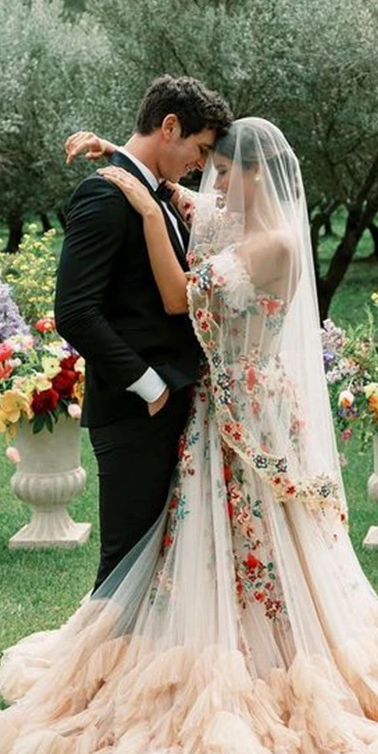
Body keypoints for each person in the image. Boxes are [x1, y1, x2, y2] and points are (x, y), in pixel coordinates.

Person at [0, 118, 378, 754]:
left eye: (220, 168)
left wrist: (136, 204)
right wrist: (121, 162)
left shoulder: (276, 243)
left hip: (248, 412)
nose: (207, 180)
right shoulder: (226, 213)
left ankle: (268, 664)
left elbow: (178, 296)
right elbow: (184, 203)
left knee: (260, 542)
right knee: (197, 538)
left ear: (253, 175)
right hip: (213, 408)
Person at [53, 75, 233, 592]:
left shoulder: (158, 195)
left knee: (158, 570)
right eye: (199, 149)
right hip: (137, 410)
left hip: (174, 403)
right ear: (170, 126)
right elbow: (76, 312)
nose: (201, 164)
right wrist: (149, 385)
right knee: (124, 565)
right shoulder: (103, 195)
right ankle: (95, 673)